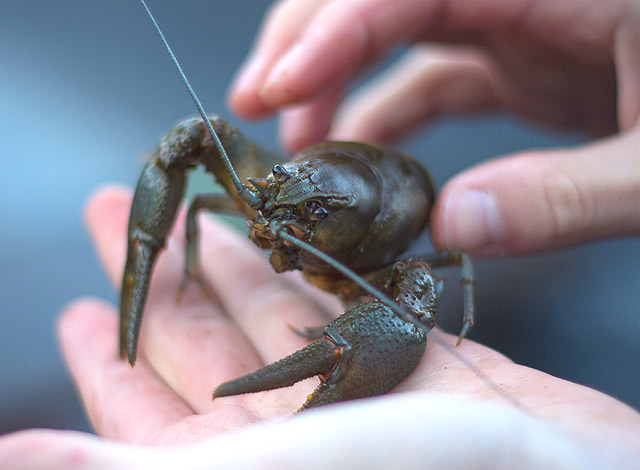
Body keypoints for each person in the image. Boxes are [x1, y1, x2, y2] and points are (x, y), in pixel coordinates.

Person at [1, 0, 639, 468]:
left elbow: (431, 280)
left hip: (384, 222)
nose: (267, 224)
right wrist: (163, 246)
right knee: (201, 135)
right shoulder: (277, 187)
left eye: (301, 221)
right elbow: (193, 146)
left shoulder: (391, 263)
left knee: (411, 299)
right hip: (332, 172)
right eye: (274, 189)